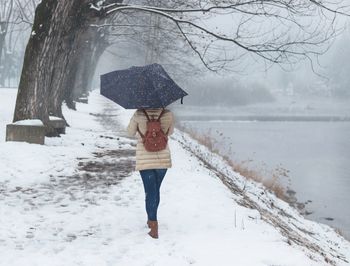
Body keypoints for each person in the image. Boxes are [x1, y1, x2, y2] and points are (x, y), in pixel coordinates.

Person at [127, 108, 174, 239]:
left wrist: (142, 129)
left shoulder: (139, 113)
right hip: (162, 159)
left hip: (145, 159)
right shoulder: (168, 114)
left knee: (150, 191)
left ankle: (153, 225)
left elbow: (130, 132)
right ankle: (151, 219)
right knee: (155, 191)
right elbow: (170, 132)